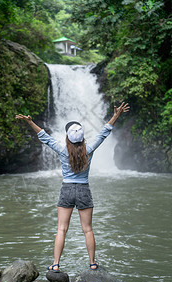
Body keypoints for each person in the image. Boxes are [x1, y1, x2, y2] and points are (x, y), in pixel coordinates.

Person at [16, 102, 129, 271]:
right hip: (84, 190)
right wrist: (116, 115)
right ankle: (92, 263)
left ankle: (55, 264)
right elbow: (104, 133)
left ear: (67, 138)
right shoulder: (89, 150)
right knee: (88, 229)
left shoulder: (63, 151)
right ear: (82, 138)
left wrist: (30, 122)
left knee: (61, 229)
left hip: (66, 190)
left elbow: (44, 137)